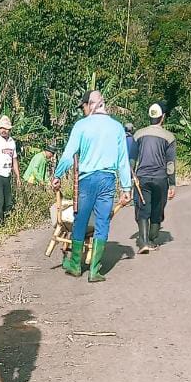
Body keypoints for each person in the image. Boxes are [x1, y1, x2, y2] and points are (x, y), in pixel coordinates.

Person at [51, 90, 132, 282]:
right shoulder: (117, 127)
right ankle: (95, 270)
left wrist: (57, 175)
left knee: (81, 219)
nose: (83, 111)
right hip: (108, 180)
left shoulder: (81, 126)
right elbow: (123, 161)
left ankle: (76, 265)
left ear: (90, 104)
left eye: (84, 107)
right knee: (103, 221)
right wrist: (126, 188)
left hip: (87, 181)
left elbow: (69, 154)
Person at [132, 103, 176, 254]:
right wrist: (172, 184)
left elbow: (132, 158)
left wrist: (132, 175)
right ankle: (151, 238)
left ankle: (143, 241)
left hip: (142, 177)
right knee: (157, 209)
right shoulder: (169, 137)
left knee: (143, 209)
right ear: (162, 117)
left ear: (150, 116)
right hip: (160, 179)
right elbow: (170, 164)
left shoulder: (138, 134)